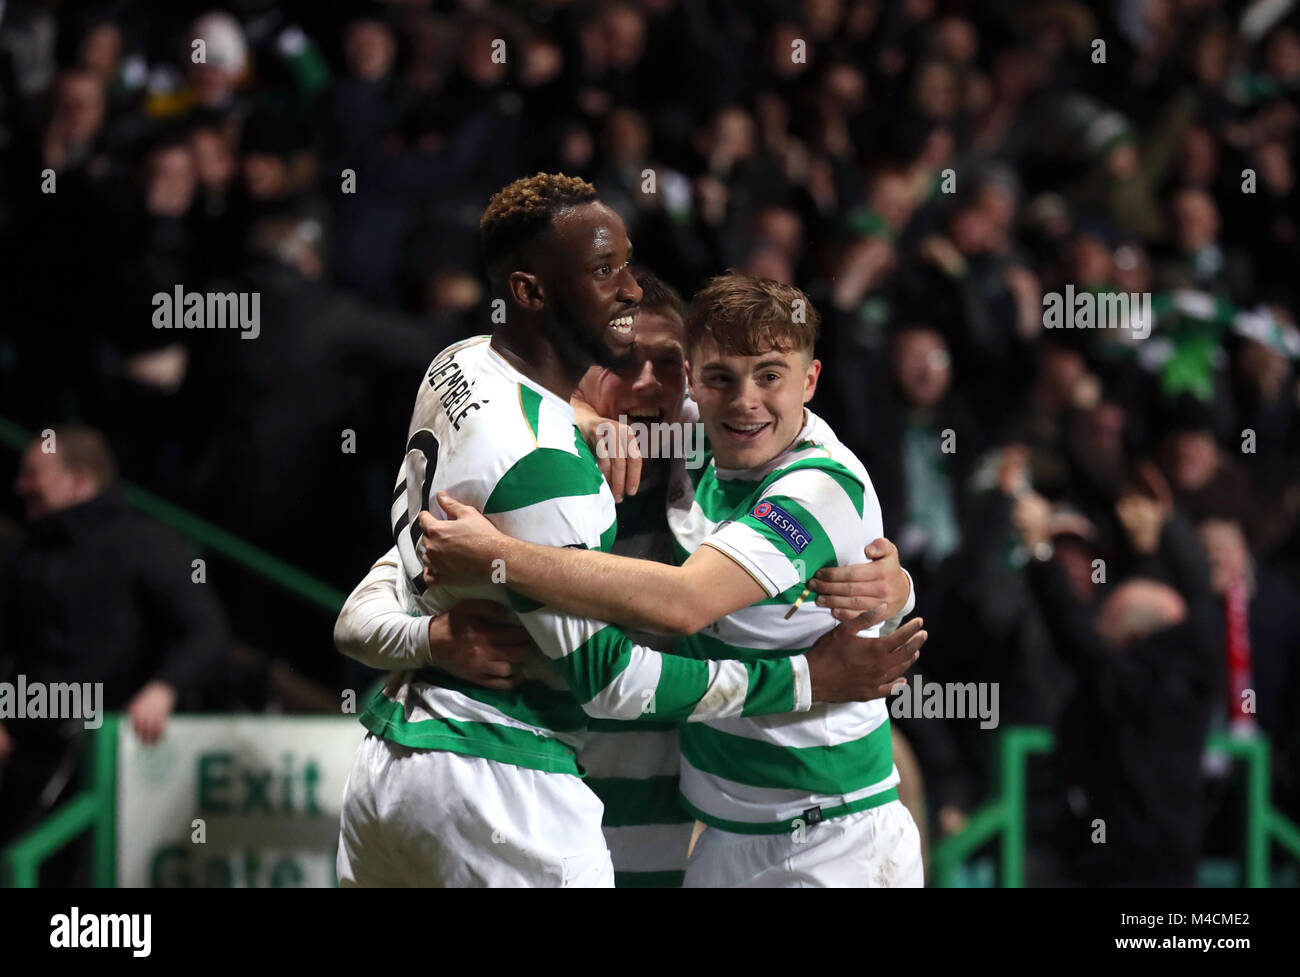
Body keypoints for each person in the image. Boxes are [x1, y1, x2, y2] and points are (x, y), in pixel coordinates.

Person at [335, 174, 925, 888]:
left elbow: (693, 594)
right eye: (623, 360)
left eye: (668, 364)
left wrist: (891, 585)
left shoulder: (736, 449)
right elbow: (360, 615)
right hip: (550, 799)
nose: (648, 384)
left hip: (719, 826)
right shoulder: (576, 459)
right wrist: (431, 639)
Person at [0, 426, 229, 869]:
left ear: (79, 480)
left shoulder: (144, 543)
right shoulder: (21, 552)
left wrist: (164, 688)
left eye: (33, 473)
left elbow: (206, 631)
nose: (19, 486)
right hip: (28, 751)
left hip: (111, 760)